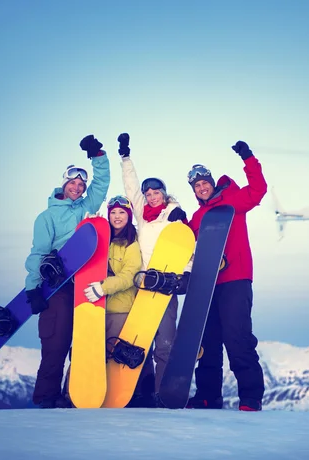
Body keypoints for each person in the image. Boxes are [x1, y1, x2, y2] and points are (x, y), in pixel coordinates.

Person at [25, 135, 110, 409]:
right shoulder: (46, 217)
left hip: (84, 281)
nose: (77, 187)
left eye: (81, 185)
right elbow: (38, 253)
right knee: (56, 343)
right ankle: (45, 397)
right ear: (64, 184)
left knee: (84, 343)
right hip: (57, 286)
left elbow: (101, 184)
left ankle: (72, 394)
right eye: (73, 183)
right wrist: (33, 287)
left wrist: (97, 155)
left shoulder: (85, 206)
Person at [185, 140, 267, 412]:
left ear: (211, 182)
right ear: (195, 191)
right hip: (206, 286)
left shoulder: (234, 201)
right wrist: (178, 224)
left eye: (204, 182)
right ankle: (209, 396)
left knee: (237, 337)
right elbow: (187, 244)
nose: (202, 187)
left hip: (236, 280)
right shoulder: (197, 217)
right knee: (206, 341)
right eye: (196, 186)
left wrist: (248, 158)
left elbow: (258, 190)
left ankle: (251, 397)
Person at [117, 132, 190, 398]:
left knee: (165, 344)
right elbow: (131, 189)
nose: (151, 196)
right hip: (142, 286)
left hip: (166, 286)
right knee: (139, 341)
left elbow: (186, 250)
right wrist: (125, 158)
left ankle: (164, 393)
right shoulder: (143, 216)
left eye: (155, 192)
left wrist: (186, 275)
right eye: (148, 194)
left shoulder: (175, 218)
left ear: (164, 193)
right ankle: (140, 393)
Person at [82, 195, 156, 407]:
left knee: (119, 356)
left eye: (122, 212)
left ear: (128, 215)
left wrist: (103, 288)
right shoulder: (102, 238)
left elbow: (129, 275)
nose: (117, 216)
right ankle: (89, 395)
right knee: (95, 354)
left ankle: (133, 397)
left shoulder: (132, 243)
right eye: (113, 212)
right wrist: (90, 227)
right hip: (95, 307)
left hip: (120, 308)